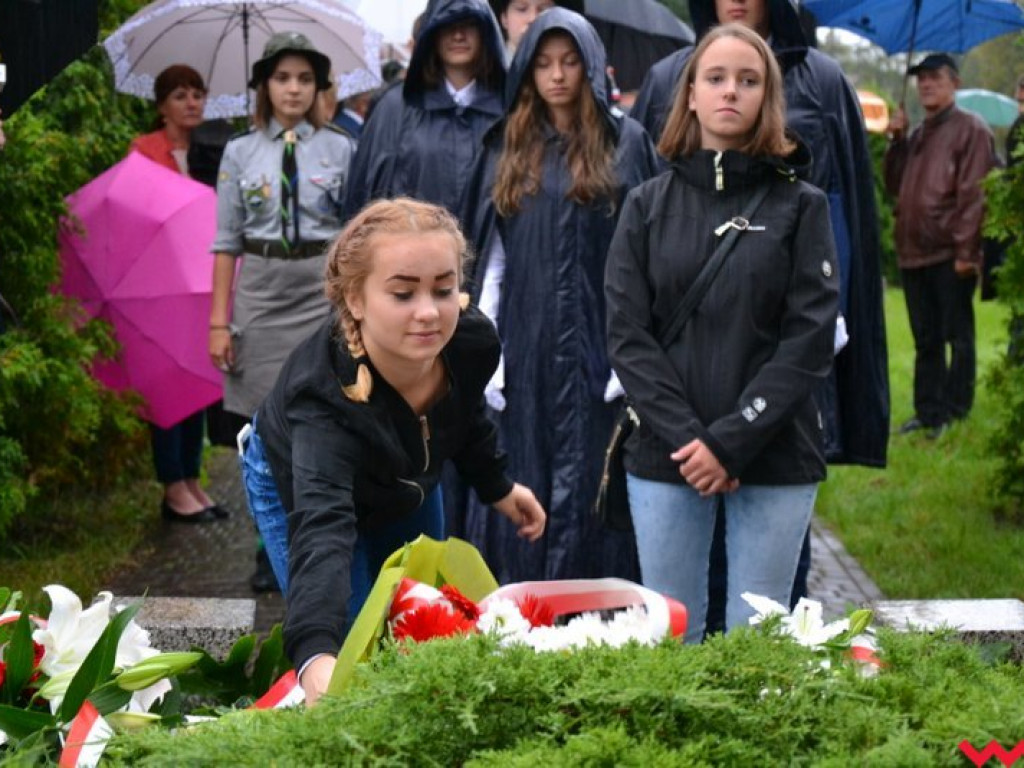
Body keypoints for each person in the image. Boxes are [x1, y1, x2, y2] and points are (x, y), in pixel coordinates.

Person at [240, 198, 546, 705]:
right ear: (355, 300)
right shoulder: (320, 400)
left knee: (419, 623)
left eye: (444, 289)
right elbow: (323, 532)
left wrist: (498, 486)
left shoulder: (472, 344)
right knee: (357, 652)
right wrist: (317, 655)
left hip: (405, 475)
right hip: (303, 481)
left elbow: (462, 416)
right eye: (403, 293)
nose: (428, 312)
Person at [604, 23, 839, 644]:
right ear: (690, 94)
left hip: (776, 448)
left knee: (756, 643)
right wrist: (692, 440)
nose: (730, 91)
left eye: (748, 79)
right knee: (671, 638)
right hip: (666, 452)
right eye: (716, 78)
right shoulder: (645, 206)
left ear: (768, 97)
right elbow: (628, 337)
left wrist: (733, 441)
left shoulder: (802, 206)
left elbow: (810, 338)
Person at [630, 0, 889, 469]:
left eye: (749, 82)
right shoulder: (667, 78)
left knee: (781, 476)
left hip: (784, 316)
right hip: (685, 336)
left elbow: (845, 209)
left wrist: (834, 315)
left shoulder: (823, 82)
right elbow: (640, 210)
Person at [457, 9, 658, 582]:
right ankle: (519, 611)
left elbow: (645, 259)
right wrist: (485, 353)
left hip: (601, 341)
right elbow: (487, 258)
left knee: (595, 475)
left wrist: (630, 354)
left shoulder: (627, 143)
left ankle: (598, 617)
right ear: (527, 70)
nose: (558, 75)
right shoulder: (505, 146)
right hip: (526, 336)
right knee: (523, 466)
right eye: (544, 63)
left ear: (591, 66)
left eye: (570, 62)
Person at [210, 32, 357, 589]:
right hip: (262, 290)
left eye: (304, 78)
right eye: (281, 77)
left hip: (322, 288)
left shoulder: (342, 148)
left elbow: (357, 235)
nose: (293, 89)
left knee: (318, 413)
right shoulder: (238, 152)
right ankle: (264, 541)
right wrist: (218, 321)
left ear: (319, 87)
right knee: (261, 421)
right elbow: (225, 241)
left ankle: (315, 533)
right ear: (264, 87)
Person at [884, 53, 997, 440]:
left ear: (955, 83)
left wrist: (968, 253)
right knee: (925, 339)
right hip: (913, 252)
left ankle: (955, 410)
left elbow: (975, 197)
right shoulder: (917, 133)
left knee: (957, 337)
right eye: (921, 79)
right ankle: (928, 411)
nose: (926, 84)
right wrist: (897, 142)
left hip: (950, 253)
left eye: (934, 77)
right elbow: (894, 186)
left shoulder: (972, 130)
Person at [130, 64, 221, 523]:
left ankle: (190, 479)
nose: (191, 103)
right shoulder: (143, 152)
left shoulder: (212, 151)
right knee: (165, 387)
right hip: (157, 285)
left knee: (197, 383)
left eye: (198, 94)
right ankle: (172, 486)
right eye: (181, 95)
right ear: (162, 104)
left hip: (201, 281)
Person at [342, 0, 507, 220]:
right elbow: (366, 191)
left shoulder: (509, 107)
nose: (458, 35)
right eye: (448, 25)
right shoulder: (395, 106)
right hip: (411, 247)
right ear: (432, 34)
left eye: (468, 24)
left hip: (490, 252)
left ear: (485, 32)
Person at [488, 0, 557, 57]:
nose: (533, 18)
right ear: (504, 19)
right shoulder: (487, 70)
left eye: (543, 10)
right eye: (522, 9)